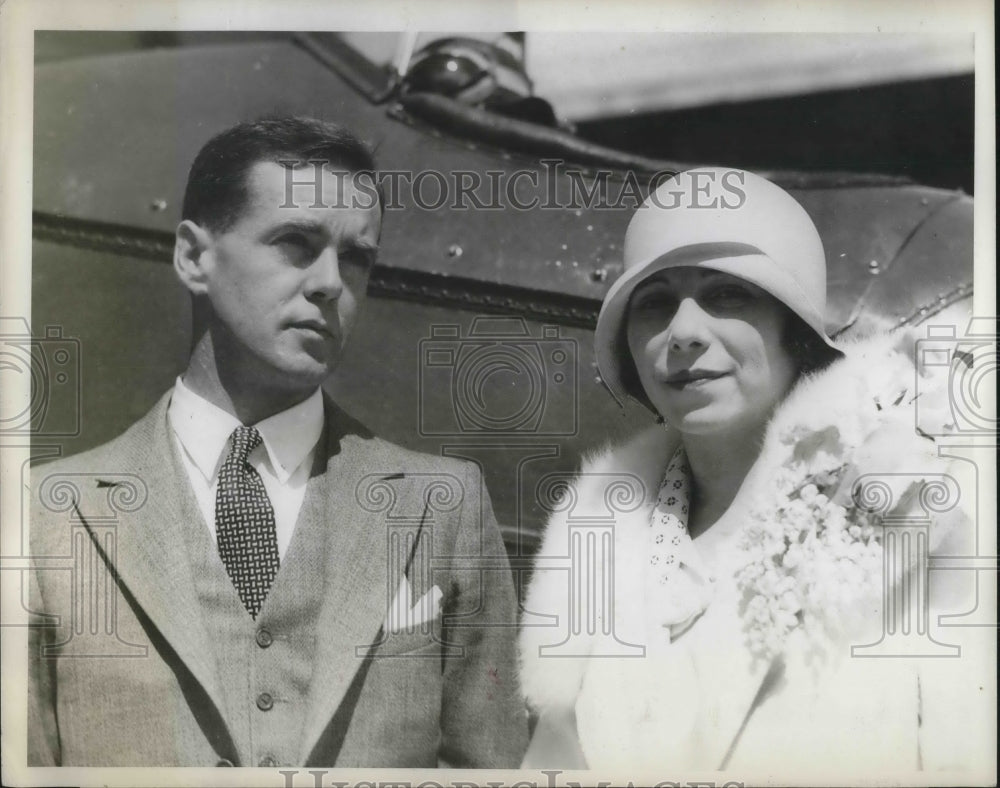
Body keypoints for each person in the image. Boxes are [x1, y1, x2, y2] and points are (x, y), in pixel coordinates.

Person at [28, 116, 528, 768]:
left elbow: (491, 768)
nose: (330, 283)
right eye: (296, 241)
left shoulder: (442, 505)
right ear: (194, 257)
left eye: (356, 257)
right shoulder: (44, 515)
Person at [518, 168, 988, 776]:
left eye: (727, 296)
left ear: (793, 330)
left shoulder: (911, 508)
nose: (683, 333)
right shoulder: (595, 541)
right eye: (654, 304)